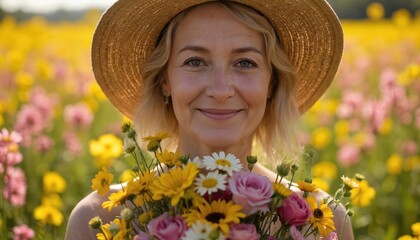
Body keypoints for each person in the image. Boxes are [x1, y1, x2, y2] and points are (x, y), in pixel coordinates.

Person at [66, 0, 353, 239]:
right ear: (165, 80)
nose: (220, 90)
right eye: (195, 62)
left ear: (272, 84)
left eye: (245, 63)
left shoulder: (321, 223)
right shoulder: (99, 221)